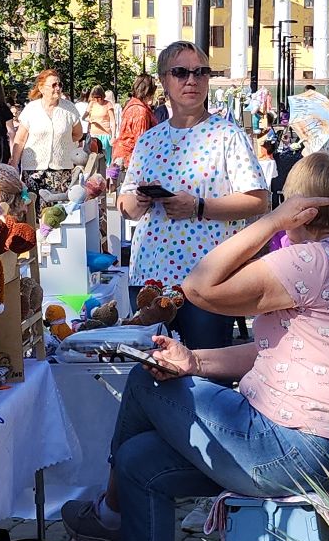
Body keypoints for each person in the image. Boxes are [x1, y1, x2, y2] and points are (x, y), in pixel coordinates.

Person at [70, 155, 329, 541]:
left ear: (298, 207)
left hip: (285, 449)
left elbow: (199, 287)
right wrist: (191, 361)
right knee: (140, 462)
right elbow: (268, 351)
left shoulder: (310, 259)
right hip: (312, 448)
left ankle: (108, 512)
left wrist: (271, 222)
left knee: (144, 382)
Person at [114, 42, 269, 349]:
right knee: (154, 367)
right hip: (150, 277)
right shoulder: (149, 140)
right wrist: (137, 202)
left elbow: (258, 200)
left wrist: (199, 206)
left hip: (206, 279)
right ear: (163, 81)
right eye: (181, 72)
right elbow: (126, 205)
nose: (192, 81)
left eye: (201, 72)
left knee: (205, 371)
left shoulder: (227, 135)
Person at [11, 69, 86, 195]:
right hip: (33, 169)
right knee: (34, 211)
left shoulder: (69, 109)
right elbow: (20, 139)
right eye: (53, 85)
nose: (57, 88)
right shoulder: (31, 109)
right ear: (41, 88)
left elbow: (78, 134)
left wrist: (63, 141)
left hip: (61, 169)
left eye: (59, 85)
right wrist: (14, 163)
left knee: (58, 212)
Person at [111, 74, 157, 178]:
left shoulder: (132, 104)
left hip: (124, 157)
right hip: (132, 161)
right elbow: (141, 141)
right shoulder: (140, 111)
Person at [86, 86, 115, 156]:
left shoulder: (108, 104)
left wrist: (113, 136)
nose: (96, 99)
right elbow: (84, 117)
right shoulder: (91, 104)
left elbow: (113, 121)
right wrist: (89, 120)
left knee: (105, 158)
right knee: (93, 159)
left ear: (102, 96)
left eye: (98, 97)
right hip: (93, 135)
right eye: (94, 97)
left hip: (105, 135)